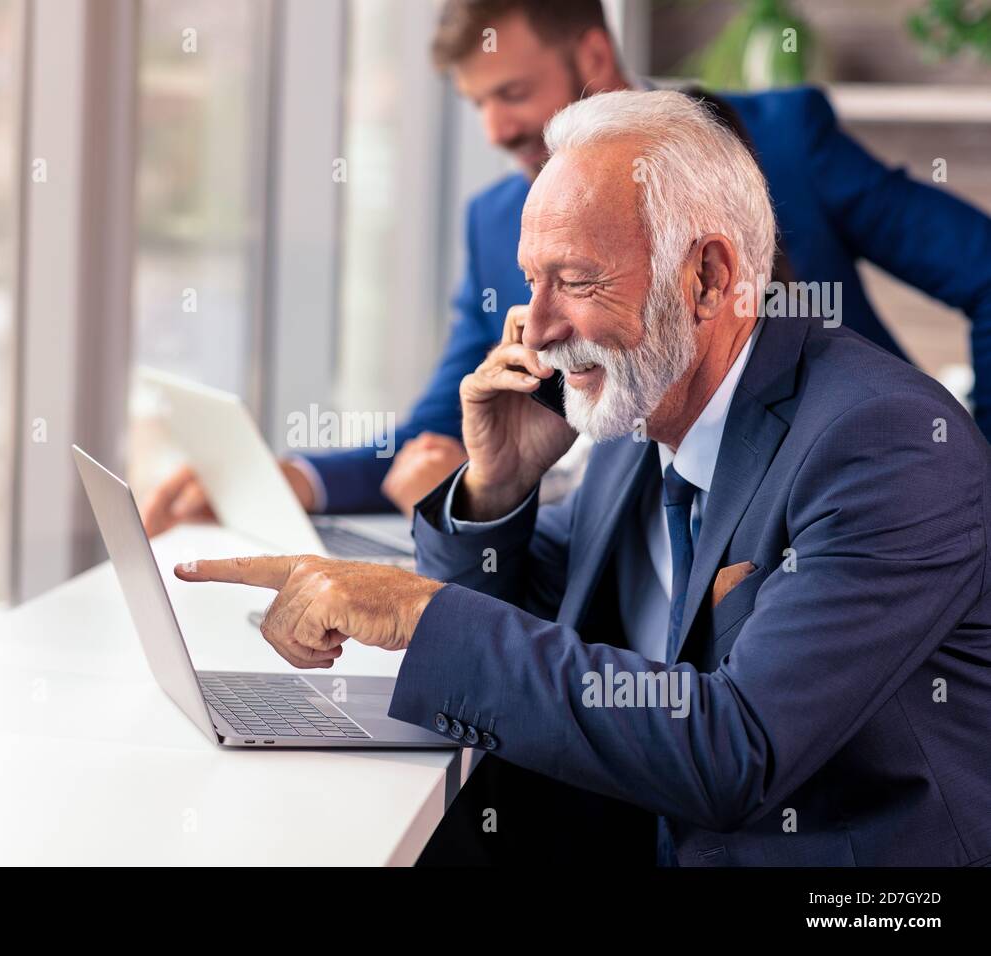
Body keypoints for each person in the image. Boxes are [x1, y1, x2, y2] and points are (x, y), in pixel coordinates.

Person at [174, 90, 991, 866]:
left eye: (575, 279)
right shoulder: (645, 416)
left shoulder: (884, 446)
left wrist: (417, 611)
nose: (539, 327)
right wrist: (496, 486)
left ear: (706, 278)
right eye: (533, 279)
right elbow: (522, 622)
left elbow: (735, 748)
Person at [143, 0, 991, 534]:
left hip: (835, 519)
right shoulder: (497, 221)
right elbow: (449, 423)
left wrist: (969, 458)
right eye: (475, 104)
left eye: (511, 93)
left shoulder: (783, 143)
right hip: (632, 549)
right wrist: (295, 480)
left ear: (592, 58)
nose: (493, 132)